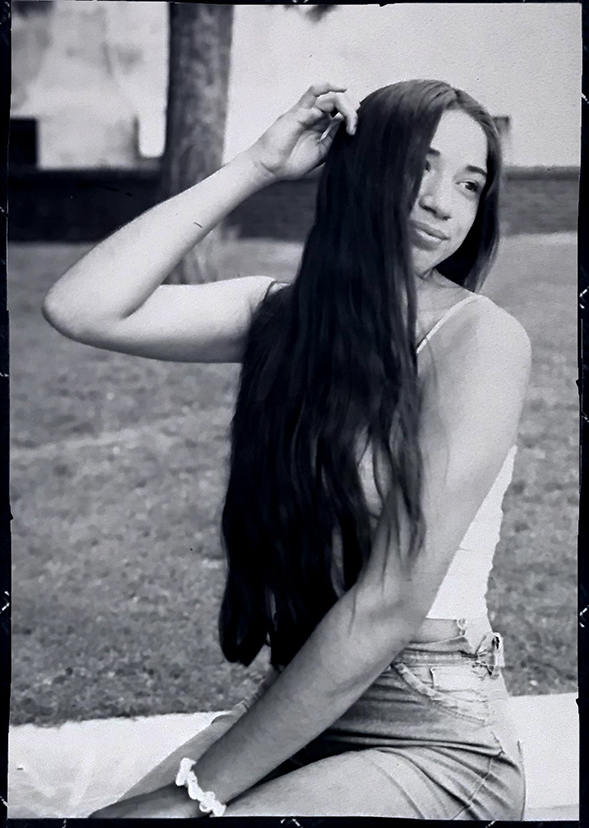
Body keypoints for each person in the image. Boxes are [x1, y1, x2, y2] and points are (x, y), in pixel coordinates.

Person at [42, 79, 531, 819]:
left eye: (469, 183)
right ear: (361, 168)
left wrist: (197, 794)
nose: (441, 203)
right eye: (420, 166)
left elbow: (389, 601)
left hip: (434, 732)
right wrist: (258, 166)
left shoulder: (479, 338)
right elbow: (81, 307)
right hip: (302, 706)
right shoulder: (280, 316)